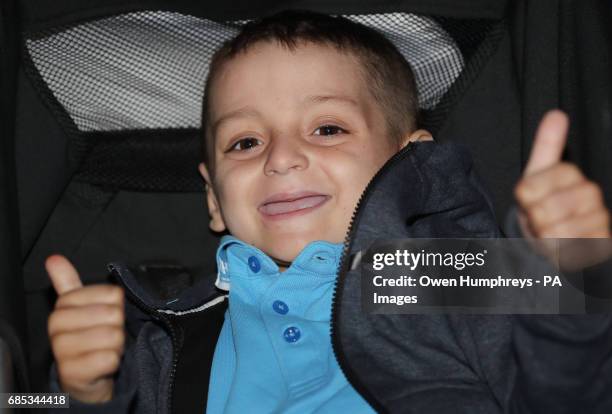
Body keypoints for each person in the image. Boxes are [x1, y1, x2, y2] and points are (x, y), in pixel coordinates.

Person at [45, 10, 611, 413]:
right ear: (213, 198)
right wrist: (77, 394)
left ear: (410, 163)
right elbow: (19, 399)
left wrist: (566, 272)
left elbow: (576, 394)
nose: (283, 158)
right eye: (245, 142)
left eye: (327, 129)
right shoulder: (160, 332)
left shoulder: (455, 274)